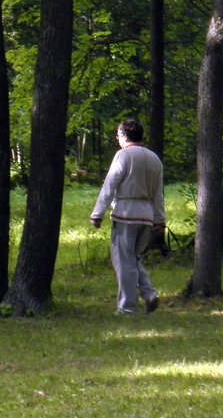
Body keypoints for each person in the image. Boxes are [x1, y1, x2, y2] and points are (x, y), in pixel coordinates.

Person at [90, 118, 165, 315]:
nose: (117, 139)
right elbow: (159, 193)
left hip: (125, 214)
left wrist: (97, 213)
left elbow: (110, 185)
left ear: (124, 136)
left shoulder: (123, 156)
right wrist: (159, 220)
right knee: (133, 259)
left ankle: (127, 307)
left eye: (118, 135)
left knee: (123, 261)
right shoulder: (154, 159)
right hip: (147, 216)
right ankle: (148, 293)